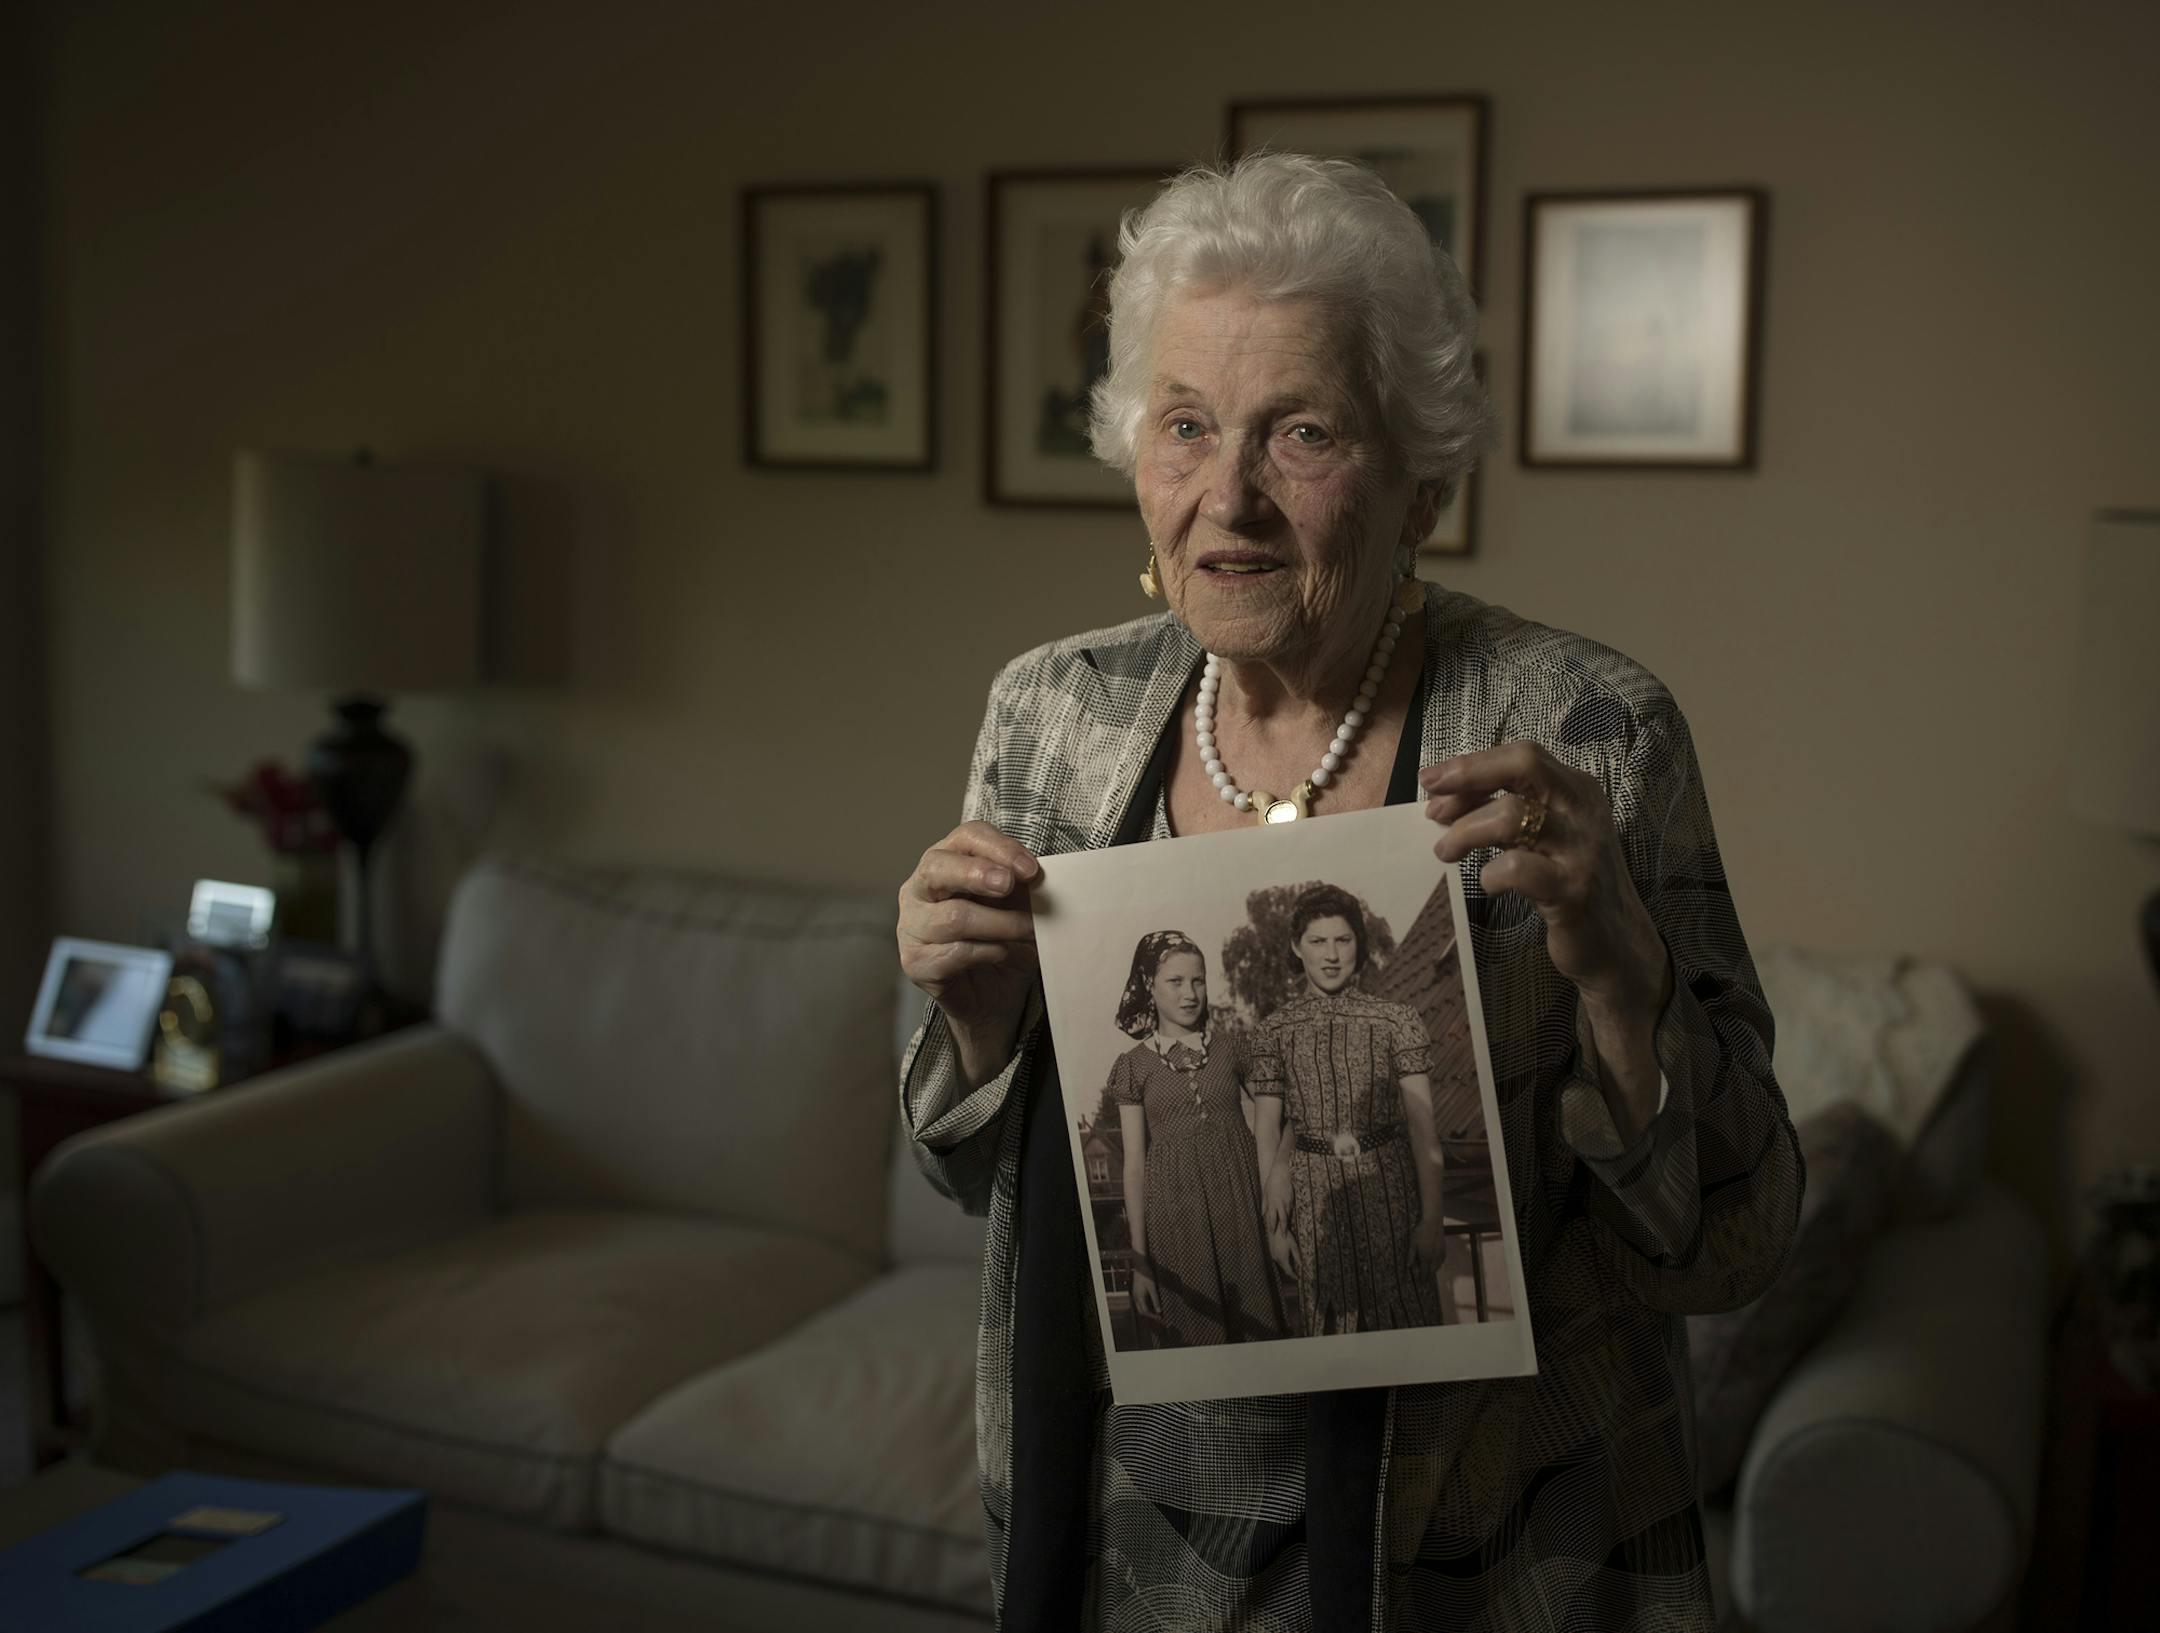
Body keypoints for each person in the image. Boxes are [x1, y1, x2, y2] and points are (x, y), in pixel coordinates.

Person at [895, 151, 1803, 1631]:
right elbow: (971, 1181)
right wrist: (983, 1023)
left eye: (1300, 432)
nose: (1228, 497)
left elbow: (1736, 1242)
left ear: (1423, 476)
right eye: (1184, 426)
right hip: (1120, 1543)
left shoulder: (1588, 729)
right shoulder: (1050, 719)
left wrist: (1621, 969)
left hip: (1482, 1556)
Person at [1251, 885, 1449, 1336]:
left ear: (1359, 945)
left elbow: (1423, 1131)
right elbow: (1267, 1129)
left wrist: (1433, 1218)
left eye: (1343, 940)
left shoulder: (1396, 1020)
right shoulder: (1274, 1031)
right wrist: (1275, 1229)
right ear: (1296, 948)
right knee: (1332, 1331)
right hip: (1314, 1199)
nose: (1332, 954)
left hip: (1391, 1189)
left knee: (1407, 1325)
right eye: (1318, 941)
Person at [1104, 930, 1285, 1347]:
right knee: (1200, 1344)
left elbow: (1277, 1122)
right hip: (1177, 1222)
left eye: (1198, 980)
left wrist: (1277, 1207)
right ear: (1149, 985)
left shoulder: (1233, 1049)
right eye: (1176, 982)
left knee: (1262, 1343)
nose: (1190, 993)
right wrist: (1141, 1262)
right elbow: (1133, 1167)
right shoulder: (1134, 1067)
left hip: (1244, 1212)